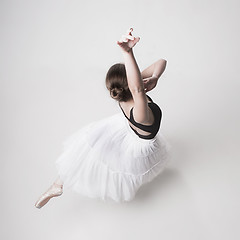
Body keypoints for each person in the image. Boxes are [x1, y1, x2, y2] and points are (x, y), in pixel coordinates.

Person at [35, 28, 172, 209]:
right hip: (139, 144)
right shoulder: (139, 110)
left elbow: (161, 62)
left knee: (89, 145)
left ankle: (57, 183)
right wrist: (127, 52)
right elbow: (137, 88)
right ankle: (58, 185)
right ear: (132, 81)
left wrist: (154, 77)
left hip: (124, 129)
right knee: (92, 151)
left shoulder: (127, 96)